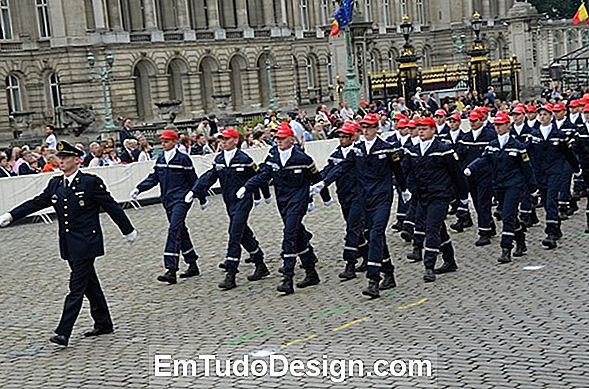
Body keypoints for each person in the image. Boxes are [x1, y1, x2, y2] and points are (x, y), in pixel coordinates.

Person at [0, 141, 137, 347]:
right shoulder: (56, 184)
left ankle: (64, 331)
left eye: (65, 158)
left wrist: (127, 229)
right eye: (59, 158)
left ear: (76, 160)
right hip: (69, 243)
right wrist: (11, 215)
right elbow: (37, 203)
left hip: (87, 242)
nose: (60, 161)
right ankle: (103, 322)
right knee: (90, 284)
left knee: (76, 287)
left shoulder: (90, 182)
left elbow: (111, 206)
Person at [313, 113, 407, 298]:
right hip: (366, 198)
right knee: (374, 235)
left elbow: (398, 171)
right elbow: (341, 167)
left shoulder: (387, 149)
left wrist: (404, 190)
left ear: (377, 128)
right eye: (363, 127)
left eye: (370, 127)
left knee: (376, 234)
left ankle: (373, 280)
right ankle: (388, 271)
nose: (366, 130)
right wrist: (324, 183)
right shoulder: (357, 150)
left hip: (382, 197)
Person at [238, 122, 322, 295]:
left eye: (282, 138)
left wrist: (313, 197)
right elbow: (263, 174)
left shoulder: (302, 158)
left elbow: (317, 179)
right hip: (282, 200)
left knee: (289, 234)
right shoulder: (274, 156)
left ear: (291, 140)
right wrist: (248, 187)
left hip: (298, 200)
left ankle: (288, 277)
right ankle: (310, 270)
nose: (279, 141)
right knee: (297, 235)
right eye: (277, 138)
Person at [186, 128, 271, 290]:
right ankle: (260, 262)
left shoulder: (244, 159)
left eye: (226, 139)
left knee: (234, 233)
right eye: (221, 140)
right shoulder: (219, 159)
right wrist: (195, 190)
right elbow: (210, 176)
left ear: (235, 140)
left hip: (243, 200)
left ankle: (231, 273)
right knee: (242, 232)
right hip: (229, 201)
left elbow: (259, 177)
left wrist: (263, 195)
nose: (222, 142)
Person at [465, 111, 538, 263]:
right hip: (498, 185)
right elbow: (483, 159)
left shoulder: (517, 146)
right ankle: (520, 239)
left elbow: (527, 168)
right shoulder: (492, 145)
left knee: (507, 215)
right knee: (509, 215)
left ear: (508, 125)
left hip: (514, 185)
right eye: (496, 125)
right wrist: (470, 168)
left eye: (500, 125)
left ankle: (506, 248)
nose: (498, 128)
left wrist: (533, 189)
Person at [130, 129, 201, 284]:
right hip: (167, 200)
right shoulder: (161, 159)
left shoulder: (183, 159)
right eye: (162, 141)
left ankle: (171, 268)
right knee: (180, 230)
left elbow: (193, 179)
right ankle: (192, 262)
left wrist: (199, 196)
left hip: (182, 199)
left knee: (174, 229)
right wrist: (139, 188)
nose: (163, 144)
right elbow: (154, 177)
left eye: (166, 141)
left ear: (174, 142)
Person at [402, 117, 468, 282]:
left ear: (433, 130)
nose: (421, 132)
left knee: (431, 228)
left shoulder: (443, 150)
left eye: (425, 129)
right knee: (439, 228)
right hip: (422, 195)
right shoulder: (413, 150)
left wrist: (463, 198)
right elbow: (404, 171)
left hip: (440, 195)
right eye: (420, 129)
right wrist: (403, 188)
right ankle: (450, 260)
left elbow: (457, 175)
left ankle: (429, 266)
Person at [528, 104, 579, 249]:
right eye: (541, 114)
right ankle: (556, 226)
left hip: (555, 171)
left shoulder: (559, 135)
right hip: (540, 173)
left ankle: (550, 233)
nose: (543, 117)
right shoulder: (534, 134)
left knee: (551, 199)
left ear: (551, 117)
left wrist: (576, 169)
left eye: (546, 114)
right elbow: (526, 152)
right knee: (545, 201)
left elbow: (567, 154)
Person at [455, 109, 498, 245]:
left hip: (486, 175)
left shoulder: (490, 136)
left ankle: (484, 232)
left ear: (481, 120)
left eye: (475, 120)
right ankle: (489, 223)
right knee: (477, 203)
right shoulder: (466, 138)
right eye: (471, 121)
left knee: (483, 202)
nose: (472, 123)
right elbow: (460, 156)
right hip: (470, 176)